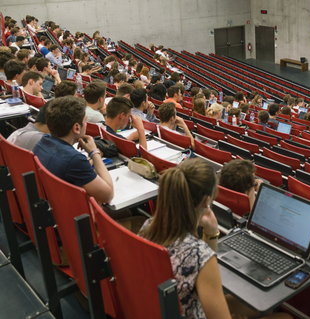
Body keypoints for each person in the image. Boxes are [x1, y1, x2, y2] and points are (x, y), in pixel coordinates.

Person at [138, 159, 291, 319]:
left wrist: (211, 233)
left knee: (257, 306)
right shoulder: (200, 255)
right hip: (192, 312)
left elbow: (199, 264)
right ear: (206, 201)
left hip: (168, 308)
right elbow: (202, 261)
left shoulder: (148, 227)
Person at [33, 96, 113, 203]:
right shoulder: (74, 159)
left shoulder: (42, 142)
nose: (86, 124)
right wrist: (94, 153)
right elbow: (107, 196)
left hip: (52, 206)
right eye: (85, 121)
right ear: (76, 128)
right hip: (74, 216)